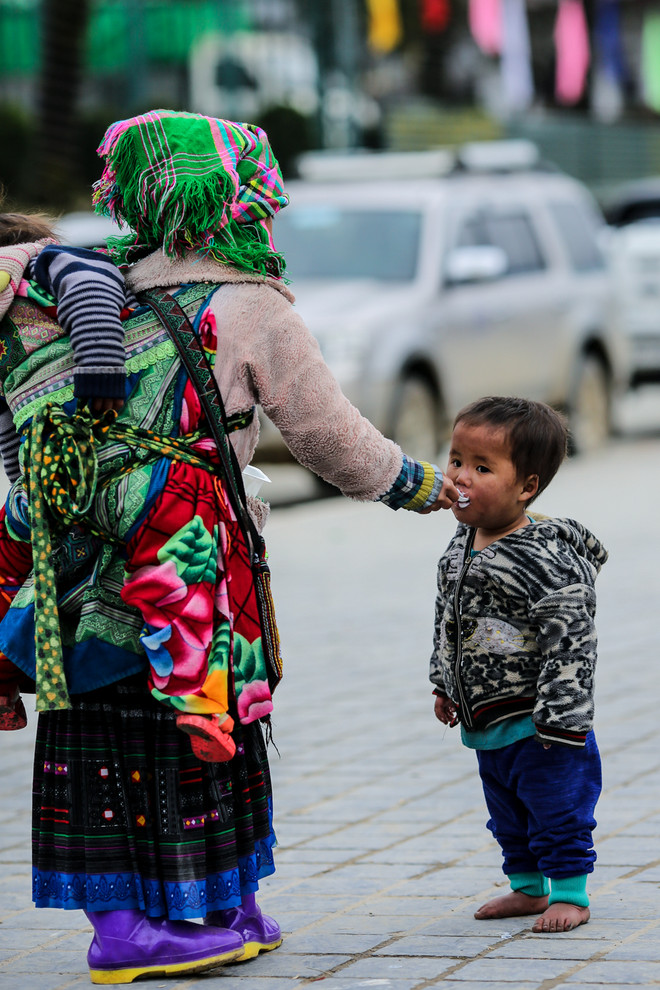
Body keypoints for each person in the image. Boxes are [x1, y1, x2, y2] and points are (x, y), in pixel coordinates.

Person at [0, 109, 458, 985]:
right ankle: (143, 930)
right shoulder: (249, 304)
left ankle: (196, 910)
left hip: (81, 559)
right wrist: (422, 486)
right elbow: (333, 442)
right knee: (205, 722)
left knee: (104, 730)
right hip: (191, 569)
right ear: (240, 198)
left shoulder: (84, 282)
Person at [430, 396, 606, 934]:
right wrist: (446, 683)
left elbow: (572, 641)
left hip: (542, 723)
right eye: (457, 459)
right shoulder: (460, 546)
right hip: (487, 719)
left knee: (556, 808)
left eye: (482, 468)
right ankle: (528, 888)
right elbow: (449, 621)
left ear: (526, 487)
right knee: (506, 812)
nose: (461, 477)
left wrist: (561, 717)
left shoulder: (542, 556)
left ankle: (571, 893)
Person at [0, 211, 130, 730]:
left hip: (90, 435)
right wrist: (21, 488)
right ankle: (8, 675)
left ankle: (8, 676)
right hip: (55, 463)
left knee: (14, 567)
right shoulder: (24, 288)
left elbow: (92, 289)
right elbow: (7, 414)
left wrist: (100, 375)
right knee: (15, 559)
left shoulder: (48, 263)